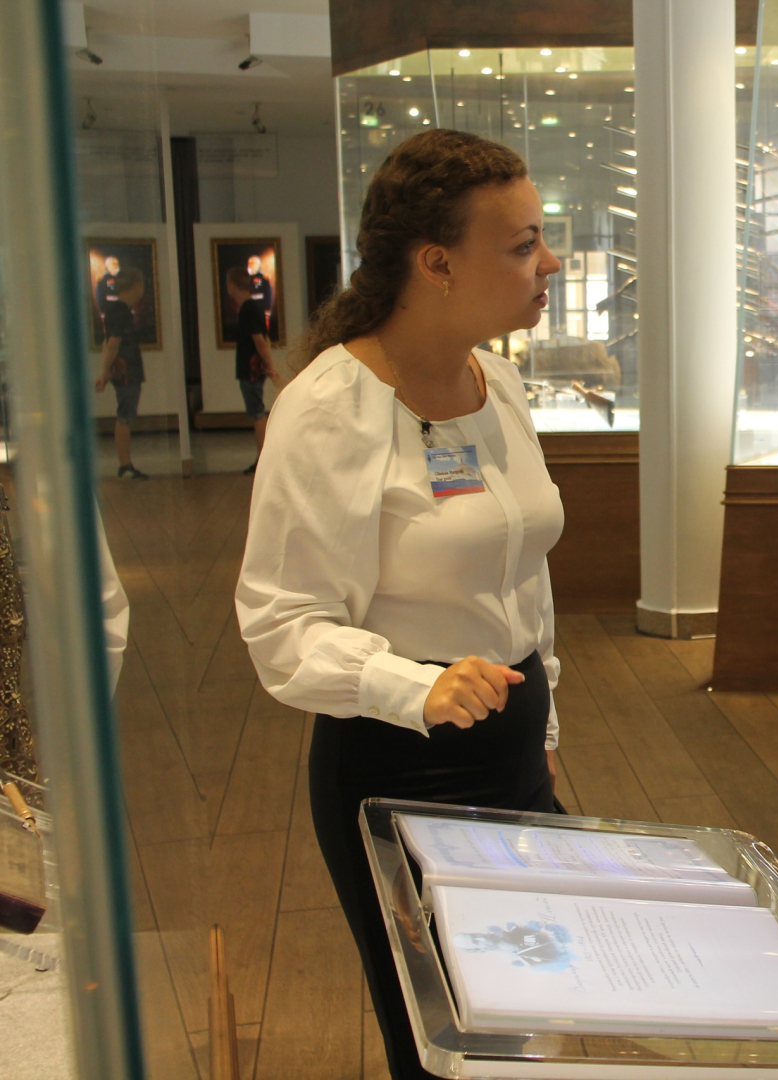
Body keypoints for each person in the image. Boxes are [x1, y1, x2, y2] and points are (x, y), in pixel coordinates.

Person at [235, 129, 566, 1080]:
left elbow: (521, 574)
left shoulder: (499, 383)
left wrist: (547, 723)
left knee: (533, 1019)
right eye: (522, 245)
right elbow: (281, 623)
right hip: (401, 767)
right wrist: (412, 687)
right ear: (437, 263)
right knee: (448, 1049)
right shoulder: (331, 407)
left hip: (515, 747)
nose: (549, 263)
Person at [93, 268, 149, 479]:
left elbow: (107, 343)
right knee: (125, 416)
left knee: (125, 415)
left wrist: (105, 371)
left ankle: (125, 464)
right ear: (136, 286)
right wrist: (104, 372)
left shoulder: (112, 309)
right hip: (127, 370)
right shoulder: (122, 311)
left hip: (122, 370)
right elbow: (114, 343)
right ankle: (125, 464)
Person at [228, 266, 282, 473]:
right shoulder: (255, 308)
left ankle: (262, 460)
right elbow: (264, 339)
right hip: (255, 368)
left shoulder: (247, 310)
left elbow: (259, 341)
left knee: (257, 413)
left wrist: (269, 366)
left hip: (250, 369)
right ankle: (263, 458)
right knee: (257, 412)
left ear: (233, 286)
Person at [245, 253, 275, 337]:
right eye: (249, 263)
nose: (250, 265)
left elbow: (268, 296)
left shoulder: (264, 280)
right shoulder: (246, 280)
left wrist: (267, 311)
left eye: (252, 263)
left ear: (258, 265)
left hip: (261, 311)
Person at [94, 254, 121, 327]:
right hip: (110, 310)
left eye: (116, 263)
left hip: (122, 310)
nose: (115, 265)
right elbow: (100, 296)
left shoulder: (122, 278)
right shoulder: (103, 280)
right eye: (113, 263)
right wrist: (102, 311)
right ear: (108, 266)